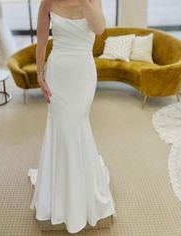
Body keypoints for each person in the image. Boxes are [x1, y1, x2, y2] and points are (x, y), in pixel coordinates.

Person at [28, 0, 116, 233]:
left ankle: (80, 194)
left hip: (83, 74)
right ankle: (62, 194)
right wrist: (39, 74)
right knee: (62, 129)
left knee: (75, 128)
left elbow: (99, 29)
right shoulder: (48, 2)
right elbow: (43, 40)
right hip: (58, 72)